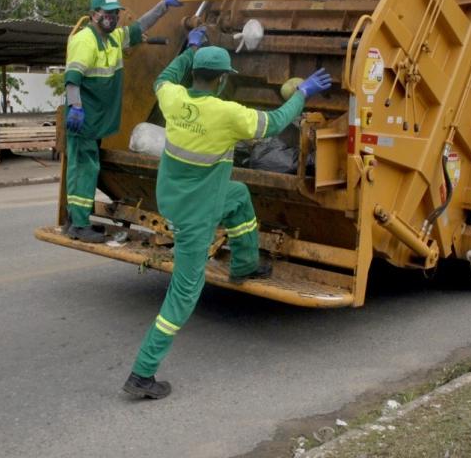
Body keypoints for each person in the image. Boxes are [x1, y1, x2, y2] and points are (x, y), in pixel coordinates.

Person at [123, 32, 332, 399]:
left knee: (238, 196)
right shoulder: (227, 113)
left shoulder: (174, 98)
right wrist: (303, 93)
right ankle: (142, 373)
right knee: (183, 296)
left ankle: (244, 265)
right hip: (196, 216)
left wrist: (187, 50)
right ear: (221, 80)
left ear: (195, 75)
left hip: (175, 198)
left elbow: (163, 78)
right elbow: (274, 123)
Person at [63, 0, 183, 242]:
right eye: (107, 13)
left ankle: (77, 221)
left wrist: (163, 5)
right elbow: (73, 79)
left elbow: (140, 27)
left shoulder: (115, 38)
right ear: (94, 15)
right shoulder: (85, 40)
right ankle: (78, 224)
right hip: (83, 119)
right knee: (84, 169)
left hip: (95, 120)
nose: (113, 17)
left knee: (87, 168)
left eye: (116, 13)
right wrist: (75, 107)